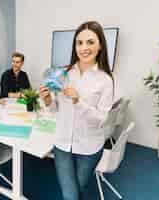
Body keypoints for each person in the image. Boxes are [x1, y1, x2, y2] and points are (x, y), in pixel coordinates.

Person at [40, 21, 114, 200]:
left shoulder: (105, 80)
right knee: (71, 195)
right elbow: (55, 110)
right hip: (62, 144)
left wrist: (78, 101)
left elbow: (101, 119)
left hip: (89, 148)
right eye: (79, 43)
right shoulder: (63, 74)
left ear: (100, 45)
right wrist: (48, 100)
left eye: (90, 42)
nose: (84, 48)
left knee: (77, 193)